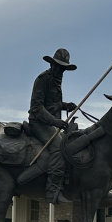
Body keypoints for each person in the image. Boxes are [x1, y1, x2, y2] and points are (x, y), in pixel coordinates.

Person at [27, 48, 78, 204]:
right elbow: (37, 107)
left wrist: (65, 106)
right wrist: (55, 122)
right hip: (38, 122)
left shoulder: (57, 81)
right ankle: (52, 192)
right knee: (58, 147)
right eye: (58, 66)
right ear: (52, 64)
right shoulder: (42, 79)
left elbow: (52, 104)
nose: (60, 70)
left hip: (51, 124)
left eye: (63, 68)